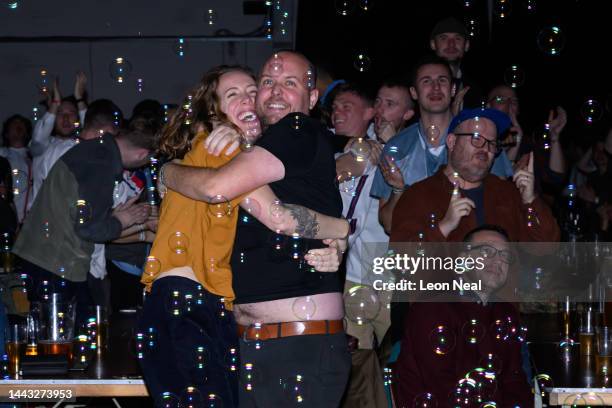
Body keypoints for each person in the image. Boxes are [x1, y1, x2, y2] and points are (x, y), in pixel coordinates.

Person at [140, 63, 349, 407]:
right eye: (233, 95)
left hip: (213, 313)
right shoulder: (222, 149)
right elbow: (277, 216)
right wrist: (342, 229)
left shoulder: (242, 153)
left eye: (253, 92)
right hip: (188, 307)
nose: (250, 101)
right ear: (213, 110)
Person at [12, 124, 154, 323]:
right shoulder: (102, 163)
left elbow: (75, 210)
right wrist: (122, 220)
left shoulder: (95, 151)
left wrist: (112, 215)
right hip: (55, 263)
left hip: (45, 257)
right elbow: (89, 229)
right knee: (71, 337)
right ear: (142, 155)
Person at [394, 225, 533, 406]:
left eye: (504, 255)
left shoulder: (505, 312)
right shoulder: (432, 309)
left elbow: (514, 381)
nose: (497, 260)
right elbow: (441, 387)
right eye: (486, 252)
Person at [390, 107, 560, 244]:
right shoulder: (419, 195)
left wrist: (530, 201)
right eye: (476, 138)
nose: (485, 148)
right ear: (452, 142)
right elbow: (402, 266)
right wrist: (444, 227)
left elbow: (546, 249)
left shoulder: (508, 194)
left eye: (492, 143)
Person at [329, 83, 389, 408]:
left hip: (393, 281)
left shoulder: (384, 152)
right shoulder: (333, 152)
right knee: (358, 371)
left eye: (347, 106)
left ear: (370, 113)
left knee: (397, 362)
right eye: (334, 107)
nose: (337, 112)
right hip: (354, 280)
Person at [0, 115, 33, 223]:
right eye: (14, 124)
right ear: (6, 133)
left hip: (29, 221)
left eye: (21, 124)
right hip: (6, 219)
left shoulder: (36, 158)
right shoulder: (2, 154)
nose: (18, 126)